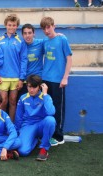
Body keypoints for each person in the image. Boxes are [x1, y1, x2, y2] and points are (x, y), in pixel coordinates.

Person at [40, 17, 72, 146]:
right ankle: (49, 133)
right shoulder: (44, 41)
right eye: (44, 28)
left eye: (48, 27)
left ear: (54, 26)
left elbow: (69, 59)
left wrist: (65, 77)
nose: (46, 30)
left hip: (58, 80)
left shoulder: (62, 39)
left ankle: (59, 136)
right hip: (46, 79)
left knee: (58, 108)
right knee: (47, 107)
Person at [15, 75, 56, 161]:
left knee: (50, 120)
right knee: (22, 151)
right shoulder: (23, 98)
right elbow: (18, 117)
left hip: (41, 125)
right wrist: (18, 132)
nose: (31, 90)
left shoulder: (45, 97)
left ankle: (44, 149)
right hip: (28, 125)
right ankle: (35, 140)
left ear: (39, 87)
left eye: (34, 87)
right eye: (29, 87)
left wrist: (45, 94)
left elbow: (51, 112)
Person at [0, 14, 27, 122]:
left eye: (14, 25)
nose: (11, 27)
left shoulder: (21, 41)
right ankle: (2, 124)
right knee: (3, 102)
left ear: (17, 26)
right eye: (9, 25)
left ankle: (11, 126)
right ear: (5, 25)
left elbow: (23, 60)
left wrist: (21, 79)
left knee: (13, 102)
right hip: (2, 77)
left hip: (15, 78)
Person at [17, 24, 44, 97]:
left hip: (37, 79)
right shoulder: (20, 45)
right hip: (24, 80)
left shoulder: (41, 43)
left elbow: (51, 41)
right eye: (25, 33)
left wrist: (58, 35)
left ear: (34, 33)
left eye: (29, 33)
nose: (27, 35)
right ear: (22, 35)